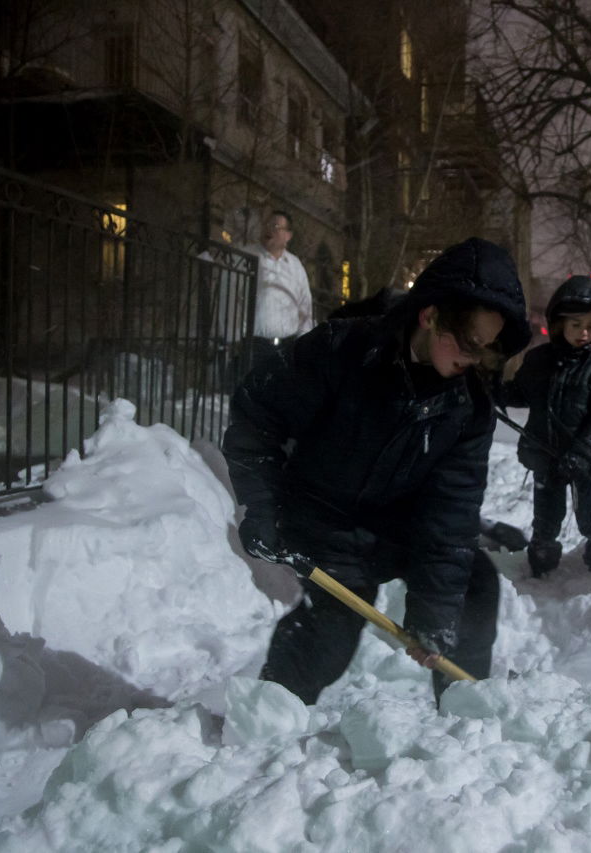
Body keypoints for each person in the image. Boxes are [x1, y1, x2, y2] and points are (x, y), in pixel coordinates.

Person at [223, 237, 531, 705]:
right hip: (323, 519)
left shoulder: (467, 407)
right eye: (471, 343)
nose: (474, 360)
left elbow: (451, 511)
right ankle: (268, 716)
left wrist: (434, 618)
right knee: (329, 634)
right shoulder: (343, 350)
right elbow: (255, 415)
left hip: (398, 527)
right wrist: (261, 506)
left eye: (487, 349)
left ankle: (465, 718)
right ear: (431, 315)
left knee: (472, 585)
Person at [503, 275, 591, 579]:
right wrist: (493, 390)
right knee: (546, 515)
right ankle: (542, 554)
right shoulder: (539, 360)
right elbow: (522, 393)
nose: (584, 333)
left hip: (588, 460)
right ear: (559, 324)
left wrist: (583, 453)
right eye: (576, 325)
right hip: (547, 457)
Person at [247, 210, 314, 368]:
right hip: (254, 347)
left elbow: (305, 306)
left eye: (276, 226)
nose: (269, 229)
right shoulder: (248, 256)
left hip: (287, 347)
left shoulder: (295, 266)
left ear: (288, 235)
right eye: (267, 224)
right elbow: (230, 296)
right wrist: (233, 338)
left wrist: (303, 342)